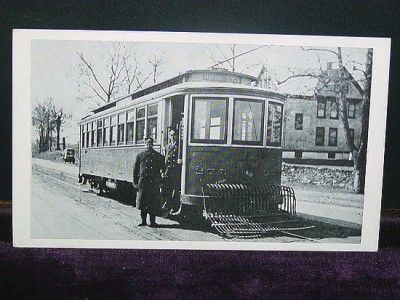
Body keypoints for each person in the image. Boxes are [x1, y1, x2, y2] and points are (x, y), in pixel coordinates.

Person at [133, 137, 165, 227]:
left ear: (152, 145)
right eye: (147, 144)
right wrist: (135, 183)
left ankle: (152, 222)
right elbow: (135, 170)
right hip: (143, 183)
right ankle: (143, 221)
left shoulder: (158, 156)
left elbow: (162, 169)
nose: (148, 146)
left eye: (150, 144)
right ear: (145, 145)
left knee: (153, 203)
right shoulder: (140, 156)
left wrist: (161, 179)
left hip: (153, 184)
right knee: (143, 204)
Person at [161, 129, 182, 214]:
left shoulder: (180, 146)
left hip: (175, 171)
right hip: (167, 171)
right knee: (167, 189)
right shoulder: (167, 146)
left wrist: (181, 160)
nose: (172, 137)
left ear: (177, 136)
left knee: (175, 190)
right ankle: (167, 205)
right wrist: (162, 171)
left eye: (174, 135)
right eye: (171, 135)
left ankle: (173, 206)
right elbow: (164, 159)